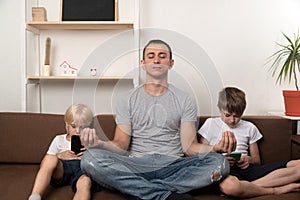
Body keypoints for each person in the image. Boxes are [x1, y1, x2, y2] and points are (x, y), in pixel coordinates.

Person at [79, 39, 236, 200]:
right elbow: (121, 144)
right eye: (151, 56)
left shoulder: (185, 100)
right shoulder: (126, 99)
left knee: (220, 163)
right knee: (90, 158)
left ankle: (141, 190)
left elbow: (189, 147)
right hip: (136, 165)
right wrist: (100, 144)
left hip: (174, 165)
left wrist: (214, 148)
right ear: (143, 63)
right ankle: (165, 195)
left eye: (162, 56)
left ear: (171, 63)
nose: (156, 60)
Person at [198, 87, 300, 198]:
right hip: (226, 172)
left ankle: (247, 188)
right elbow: (201, 155)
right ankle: (274, 190)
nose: (232, 120)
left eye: (237, 116)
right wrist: (221, 160)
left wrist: (247, 159)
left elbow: (257, 161)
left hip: (248, 170)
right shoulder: (210, 124)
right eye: (227, 115)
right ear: (219, 109)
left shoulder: (249, 127)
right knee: (230, 186)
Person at [28, 104, 99, 200]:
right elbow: (46, 162)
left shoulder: (92, 140)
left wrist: (90, 153)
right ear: (67, 124)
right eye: (74, 126)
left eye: (82, 127)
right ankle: (35, 196)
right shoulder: (59, 139)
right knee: (50, 158)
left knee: (85, 182)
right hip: (63, 168)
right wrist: (59, 155)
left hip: (82, 170)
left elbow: (100, 162)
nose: (77, 131)